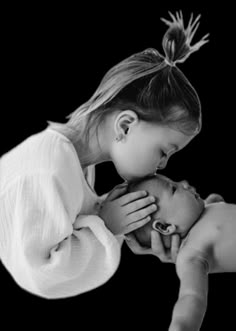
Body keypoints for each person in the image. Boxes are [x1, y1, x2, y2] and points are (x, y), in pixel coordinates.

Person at [0, 11, 209, 299]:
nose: (162, 165)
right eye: (163, 152)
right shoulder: (46, 168)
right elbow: (40, 273)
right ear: (125, 125)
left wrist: (119, 220)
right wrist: (108, 226)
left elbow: (69, 221)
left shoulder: (75, 164)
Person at [124, 173, 232, 331]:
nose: (184, 183)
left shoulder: (205, 209)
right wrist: (181, 325)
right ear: (164, 227)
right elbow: (191, 296)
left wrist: (213, 203)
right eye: (174, 189)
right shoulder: (191, 254)